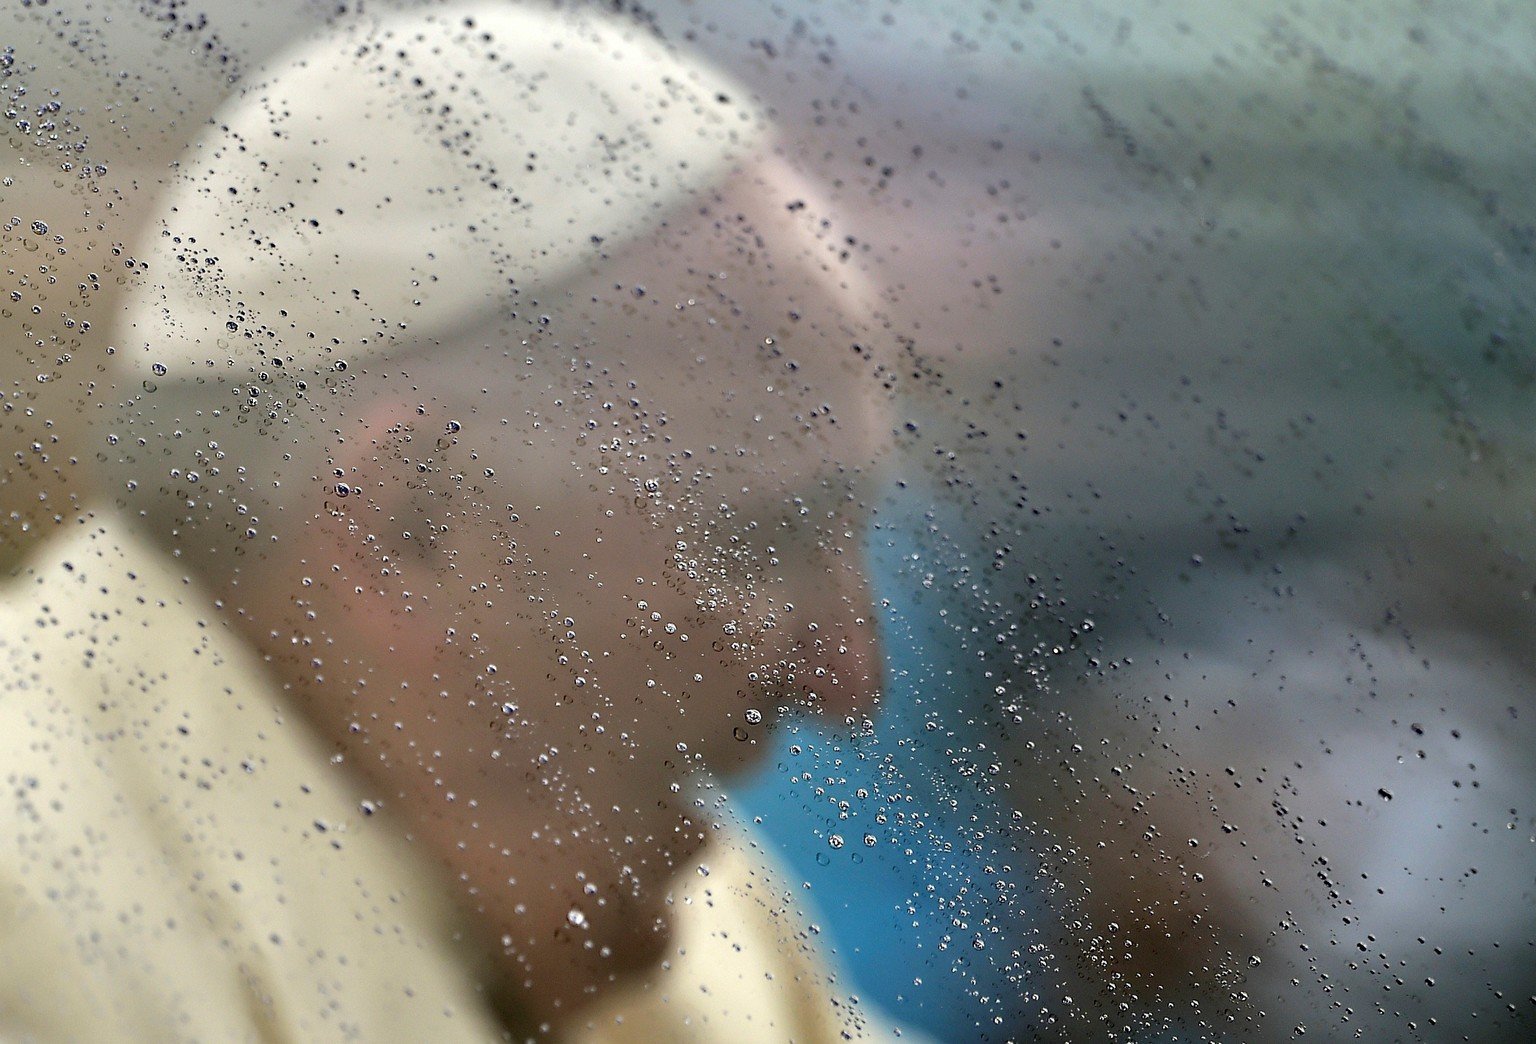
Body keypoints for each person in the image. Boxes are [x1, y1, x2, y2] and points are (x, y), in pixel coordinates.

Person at [0, 3, 915, 1039]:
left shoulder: (692, 901)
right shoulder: (31, 935)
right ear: (406, 525)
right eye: (759, 541)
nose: (848, 678)